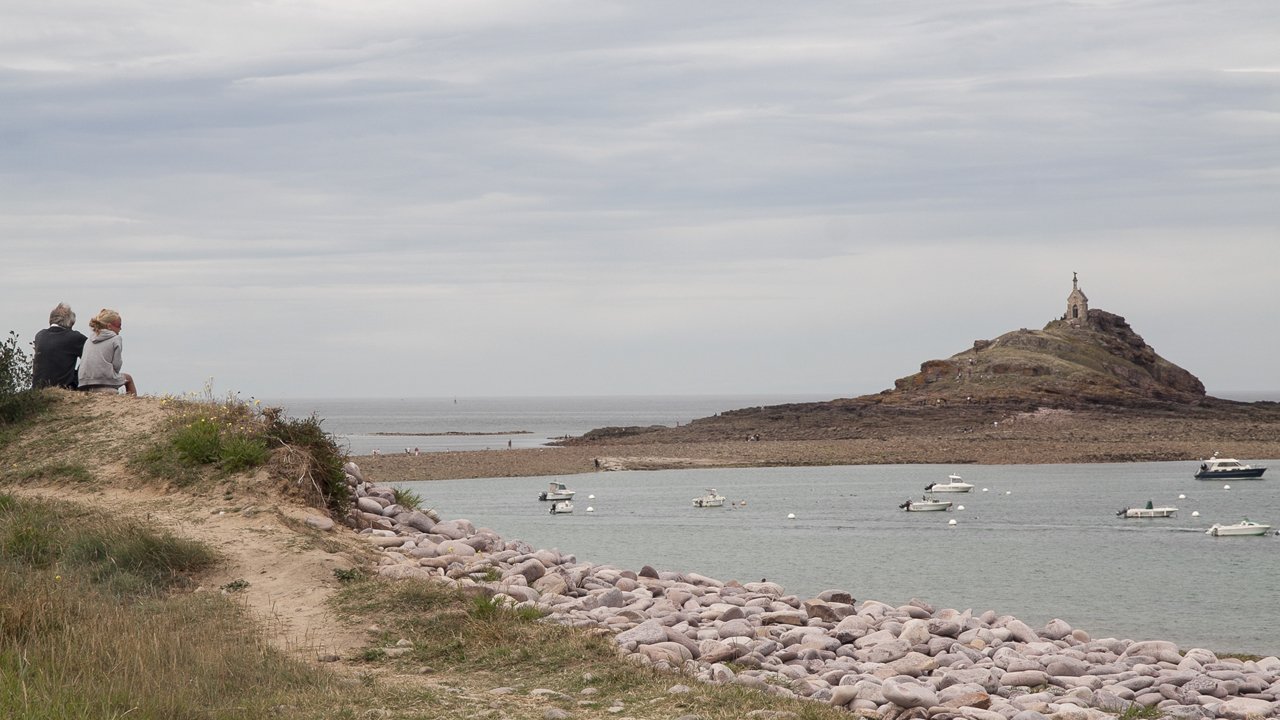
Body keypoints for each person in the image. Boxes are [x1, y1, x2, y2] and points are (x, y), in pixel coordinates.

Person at [77, 309, 136, 396]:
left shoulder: (89, 339)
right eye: (119, 325)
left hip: (84, 381)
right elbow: (117, 365)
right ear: (109, 326)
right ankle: (133, 404)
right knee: (129, 379)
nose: (120, 328)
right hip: (105, 380)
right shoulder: (116, 339)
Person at [32, 303, 87, 389]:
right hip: (64, 387)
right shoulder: (74, 337)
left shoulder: (40, 335)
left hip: (38, 387)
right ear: (70, 323)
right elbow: (92, 354)